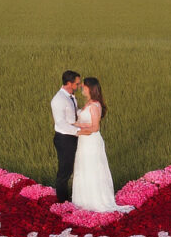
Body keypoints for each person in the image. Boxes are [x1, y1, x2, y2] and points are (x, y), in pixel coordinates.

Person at [72, 77, 133, 213]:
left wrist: (78, 130)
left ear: (90, 88)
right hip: (84, 141)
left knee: (92, 168)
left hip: (91, 141)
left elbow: (95, 128)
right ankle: (83, 200)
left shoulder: (94, 105)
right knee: (83, 167)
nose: (82, 88)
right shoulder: (89, 103)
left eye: (84, 87)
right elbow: (87, 123)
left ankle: (95, 200)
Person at [50, 70, 81, 203]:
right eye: (77, 83)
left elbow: (73, 114)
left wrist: (86, 113)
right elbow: (61, 123)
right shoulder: (58, 100)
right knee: (65, 170)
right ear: (69, 83)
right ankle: (62, 201)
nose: (79, 86)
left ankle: (73, 196)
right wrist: (79, 131)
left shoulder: (71, 95)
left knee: (75, 167)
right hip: (64, 139)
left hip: (72, 136)